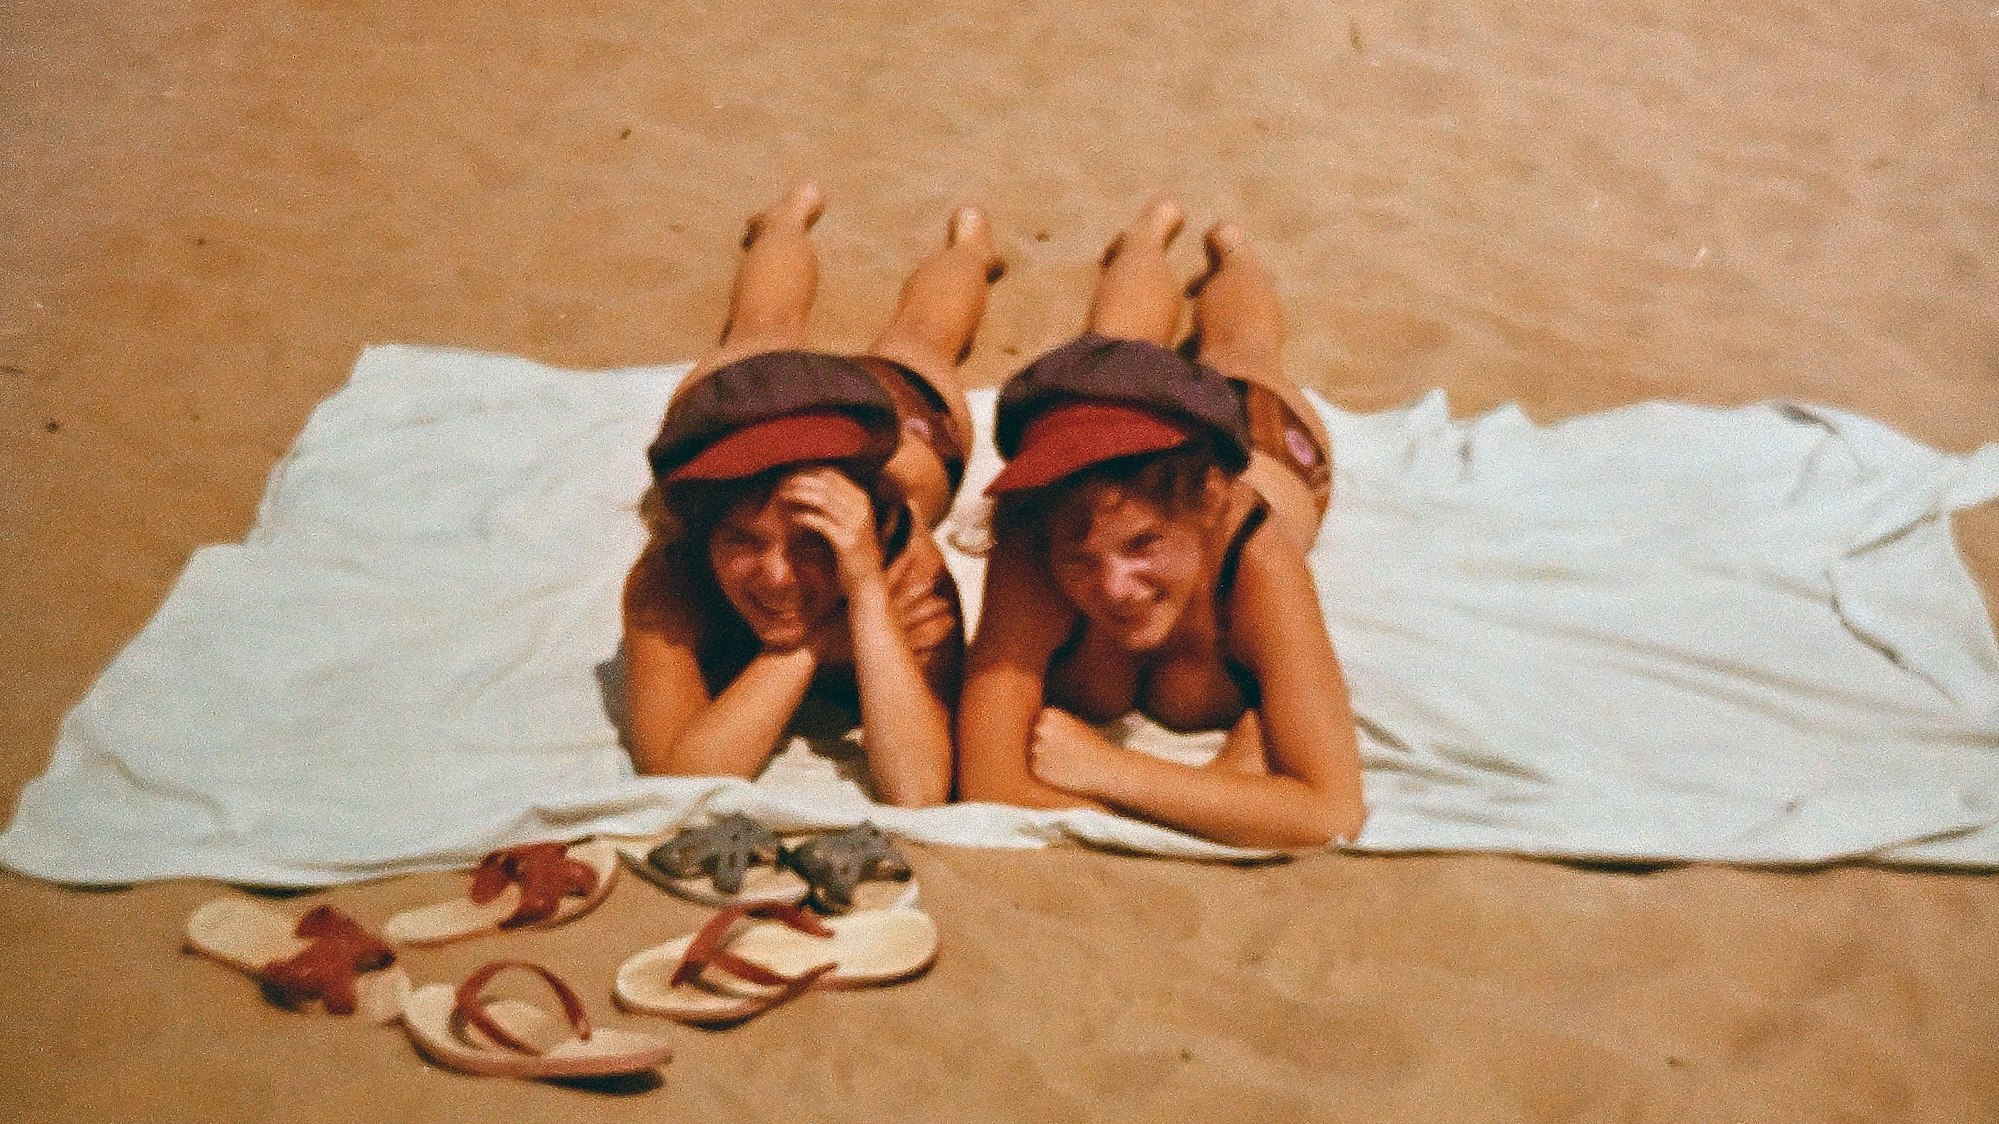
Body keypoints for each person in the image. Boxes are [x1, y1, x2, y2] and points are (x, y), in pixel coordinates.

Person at [956, 200, 1367, 848]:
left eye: (1143, 544)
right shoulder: (1035, 536)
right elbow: (987, 780)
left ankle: (1231, 253)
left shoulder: (1257, 557)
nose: (1114, 587)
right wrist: (1221, 796)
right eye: (1079, 558)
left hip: (1262, 443)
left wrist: (1109, 771)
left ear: (1209, 504)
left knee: (1244, 350)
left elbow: (1331, 813)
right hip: (1143, 455)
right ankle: (1145, 238)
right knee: (1110, 348)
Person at [621, 184, 1003, 807]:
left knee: (921, 340)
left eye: (812, 543)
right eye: (744, 541)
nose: (776, 578)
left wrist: (867, 588)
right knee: (762, 328)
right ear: (705, 532)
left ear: (867, 528)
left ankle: (970, 248)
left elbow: (918, 788)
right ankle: (786, 219)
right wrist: (815, 641)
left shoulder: (907, 569)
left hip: (902, 429)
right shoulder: (671, 573)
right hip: (747, 409)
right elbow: (680, 778)